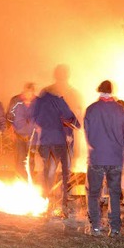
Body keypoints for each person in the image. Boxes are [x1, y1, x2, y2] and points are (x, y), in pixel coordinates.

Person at [84, 80, 124, 237]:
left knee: (93, 193)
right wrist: (121, 150)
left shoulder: (91, 109)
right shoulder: (120, 110)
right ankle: (115, 227)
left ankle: (96, 226)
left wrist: (94, 147)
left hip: (97, 158)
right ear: (112, 92)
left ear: (99, 91)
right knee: (114, 192)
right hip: (115, 158)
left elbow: (87, 133)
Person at [32, 83, 80, 218]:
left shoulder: (39, 102)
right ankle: (62, 202)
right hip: (58, 141)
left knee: (47, 170)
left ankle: (46, 197)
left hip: (44, 142)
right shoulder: (58, 100)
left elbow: (34, 119)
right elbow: (69, 117)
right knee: (64, 170)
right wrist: (75, 125)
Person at [6, 82, 38, 179]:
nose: (28, 96)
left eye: (30, 93)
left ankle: (29, 180)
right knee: (20, 159)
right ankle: (20, 180)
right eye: (26, 93)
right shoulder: (16, 101)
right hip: (19, 136)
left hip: (32, 137)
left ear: (33, 92)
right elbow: (9, 117)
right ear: (23, 92)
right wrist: (10, 130)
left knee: (30, 160)